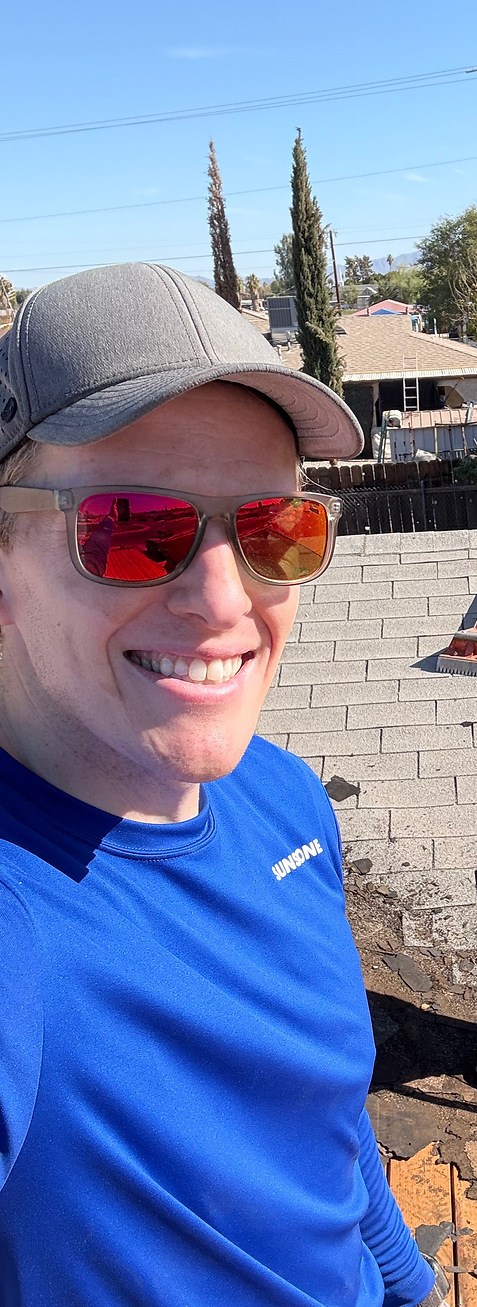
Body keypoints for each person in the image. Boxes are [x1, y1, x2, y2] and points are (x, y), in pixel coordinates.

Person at [0, 262, 447, 1307]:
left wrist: (408, 1283)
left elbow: (322, 1117)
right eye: (127, 526)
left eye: (272, 529)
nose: (222, 597)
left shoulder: (284, 800)